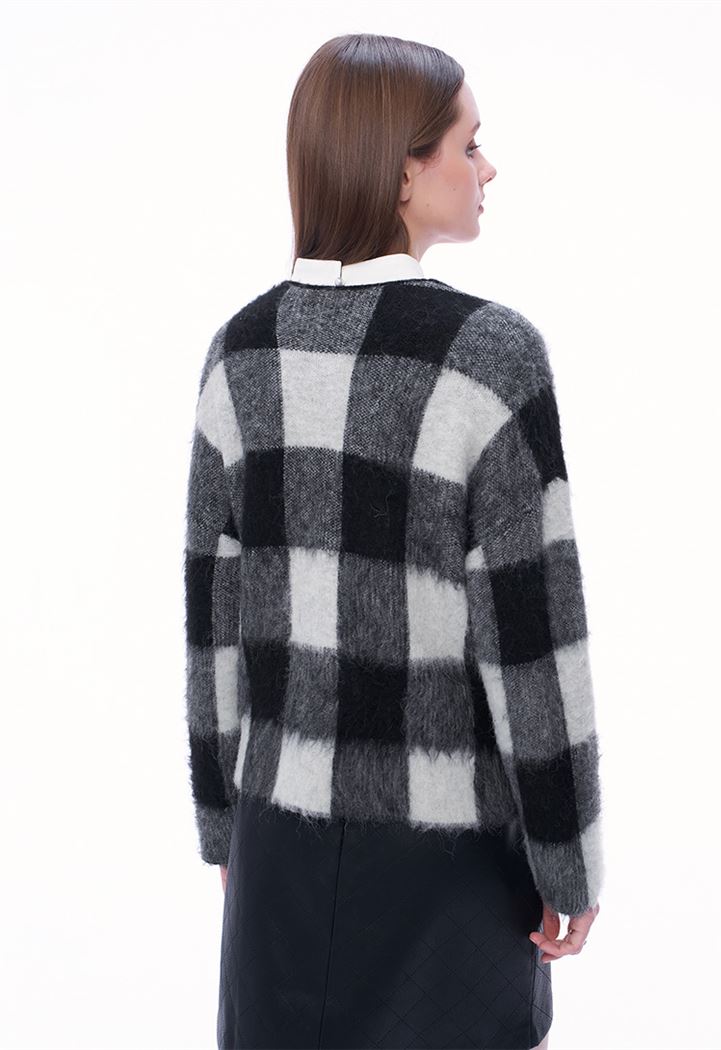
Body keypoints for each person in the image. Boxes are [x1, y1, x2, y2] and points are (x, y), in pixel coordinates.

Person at [183, 31, 604, 1050]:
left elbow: (212, 625)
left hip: (276, 852)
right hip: (446, 866)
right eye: (469, 143)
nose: (487, 167)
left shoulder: (240, 354)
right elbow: (532, 639)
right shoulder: (489, 356)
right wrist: (568, 859)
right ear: (404, 169)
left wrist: (222, 826)